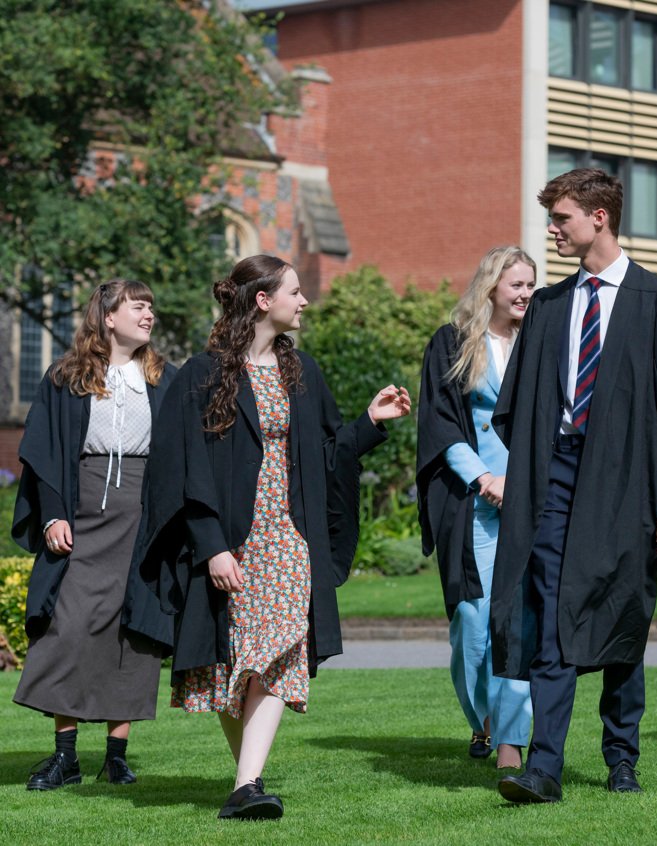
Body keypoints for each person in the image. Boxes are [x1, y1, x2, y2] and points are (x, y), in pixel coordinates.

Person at [137, 254, 411, 822]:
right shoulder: (203, 374)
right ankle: (246, 784)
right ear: (263, 300)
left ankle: (247, 782)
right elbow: (181, 467)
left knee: (277, 646)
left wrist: (369, 422)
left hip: (288, 537)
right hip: (232, 539)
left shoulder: (301, 374)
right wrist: (210, 543)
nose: (304, 300)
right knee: (229, 661)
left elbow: (327, 458)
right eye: (294, 291)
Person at [491, 168, 657, 804]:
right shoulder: (552, 306)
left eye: (561, 218)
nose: (552, 230)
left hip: (629, 484)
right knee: (554, 614)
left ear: (599, 218)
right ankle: (545, 766)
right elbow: (516, 405)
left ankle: (621, 756)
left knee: (620, 616)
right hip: (556, 478)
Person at [12, 279, 176, 790]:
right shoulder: (67, 377)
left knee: (130, 632)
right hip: (82, 509)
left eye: (151, 306)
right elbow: (43, 453)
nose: (148, 314)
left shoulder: (163, 379)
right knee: (69, 626)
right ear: (108, 315)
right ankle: (65, 757)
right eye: (138, 306)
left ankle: (117, 756)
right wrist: (53, 515)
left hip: (141, 515)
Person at [417, 246, 535, 769]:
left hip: (531, 498)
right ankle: (481, 719)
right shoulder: (454, 343)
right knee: (472, 617)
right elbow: (440, 420)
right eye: (516, 284)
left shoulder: (540, 344)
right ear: (491, 287)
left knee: (519, 621)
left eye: (531, 284)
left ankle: (509, 739)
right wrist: (483, 476)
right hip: (472, 502)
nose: (526, 293)